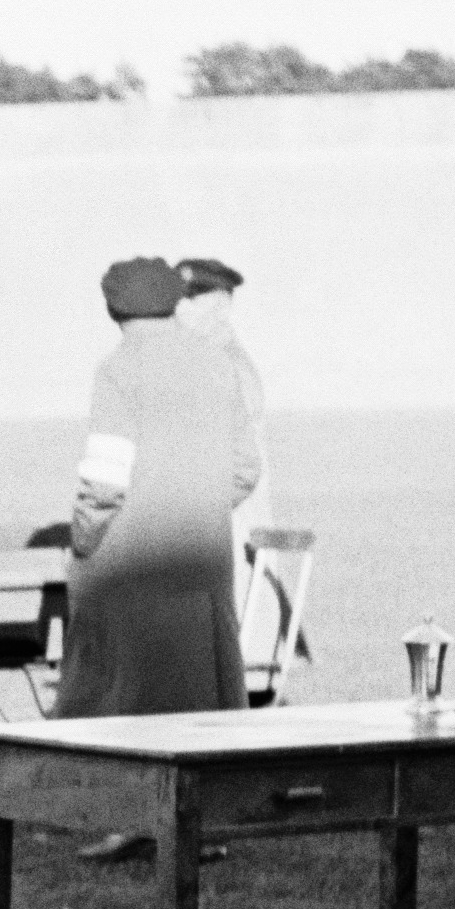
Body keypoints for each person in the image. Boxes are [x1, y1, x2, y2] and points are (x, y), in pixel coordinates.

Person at [59, 256, 263, 861]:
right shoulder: (217, 364)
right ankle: (203, 827)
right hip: (203, 557)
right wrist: (196, 505)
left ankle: (136, 822)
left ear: (112, 310)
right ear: (177, 302)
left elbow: (104, 479)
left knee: (132, 694)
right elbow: (246, 467)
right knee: (200, 692)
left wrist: (85, 539)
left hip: (131, 560)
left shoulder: (119, 370)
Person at [172, 256, 284, 666]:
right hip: (224, 535)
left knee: (232, 663)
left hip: (230, 534)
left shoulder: (220, 365)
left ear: (219, 305)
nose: (175, 311)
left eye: (185, 302)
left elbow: (228, 467)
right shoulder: (216, 359)